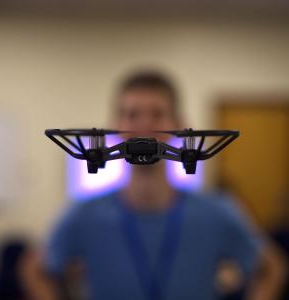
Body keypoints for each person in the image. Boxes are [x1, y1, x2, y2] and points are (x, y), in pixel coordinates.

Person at [43, 70, 285, 300]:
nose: (145, 125)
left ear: (179, 125)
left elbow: (271, 267)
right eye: (132, 115)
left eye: (157, 114)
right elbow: (34, 267)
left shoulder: (216, 212)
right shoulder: (85, 214)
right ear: (115, 124)